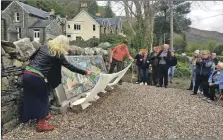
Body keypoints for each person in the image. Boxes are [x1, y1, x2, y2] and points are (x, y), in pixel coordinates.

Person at [20, 35, 92, 132]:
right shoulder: (58, 53)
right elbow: (70, 66)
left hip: (27, 74)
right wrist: (85, 72)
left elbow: (32, 57)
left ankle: (28, 117)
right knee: (43, 99)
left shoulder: (44, 46)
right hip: (36, 76)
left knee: (29, 96)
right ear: (63, 44)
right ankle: (41, 125)